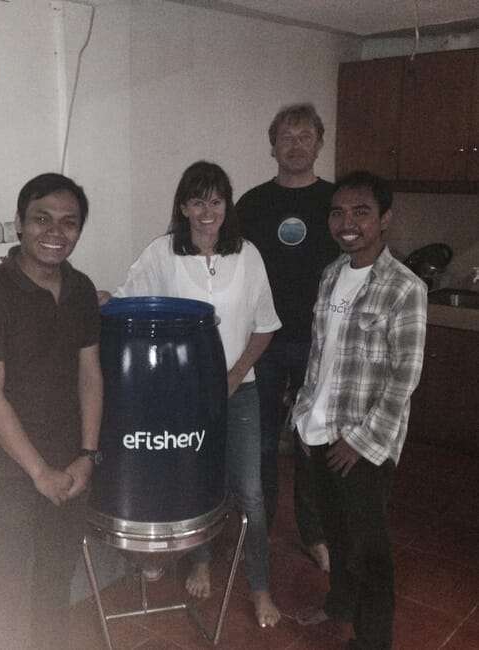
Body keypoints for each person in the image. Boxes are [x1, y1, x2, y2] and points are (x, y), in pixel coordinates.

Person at [105, 161, 282, 628]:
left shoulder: (248, 255)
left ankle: (260, 587)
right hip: (180, 400)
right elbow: (126, 304)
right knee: (194, 482)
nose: (208, 211)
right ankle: (200, 559)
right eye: (198, 200)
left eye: (216, 200)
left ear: (227, 205)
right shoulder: (163, 253)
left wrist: (233, 375)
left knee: (251, 493)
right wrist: (91, 295)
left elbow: (264, 327)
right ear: (183, 206)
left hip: (239, 393)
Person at [0, 173, 103, 649]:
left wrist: (87, 454)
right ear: (19, 224)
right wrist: (39, 471)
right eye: (42, 219)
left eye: (69, 223)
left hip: (70, 466)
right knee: (3, 587)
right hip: (10, 471)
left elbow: (90, 374)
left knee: (55, 582)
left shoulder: (82, 289)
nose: (55, 232)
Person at [292, 171, 427, 649]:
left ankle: (372, 641)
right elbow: (319, 357)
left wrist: (362, 442)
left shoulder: (404, 288)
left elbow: (403, 377)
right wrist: (305, 421)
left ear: (384, 219)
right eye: (338, 212)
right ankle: (340, 604)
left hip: (364, 444)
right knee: (336, 532)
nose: (347, 222)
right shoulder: (332, 274)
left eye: (361, 212)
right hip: (321, 430)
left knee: (370, 549)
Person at [237, 102, 338, 571]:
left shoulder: (338, 203)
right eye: (286, 137)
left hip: (320, 344)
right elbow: (220, 256)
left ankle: (314, 532)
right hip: (263, 344)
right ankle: (257, 526)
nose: (295, 145)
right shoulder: (253, 203)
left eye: (304, 136)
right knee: (258, 445)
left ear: (319, 142)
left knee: (311, 443)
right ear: (272, 145)